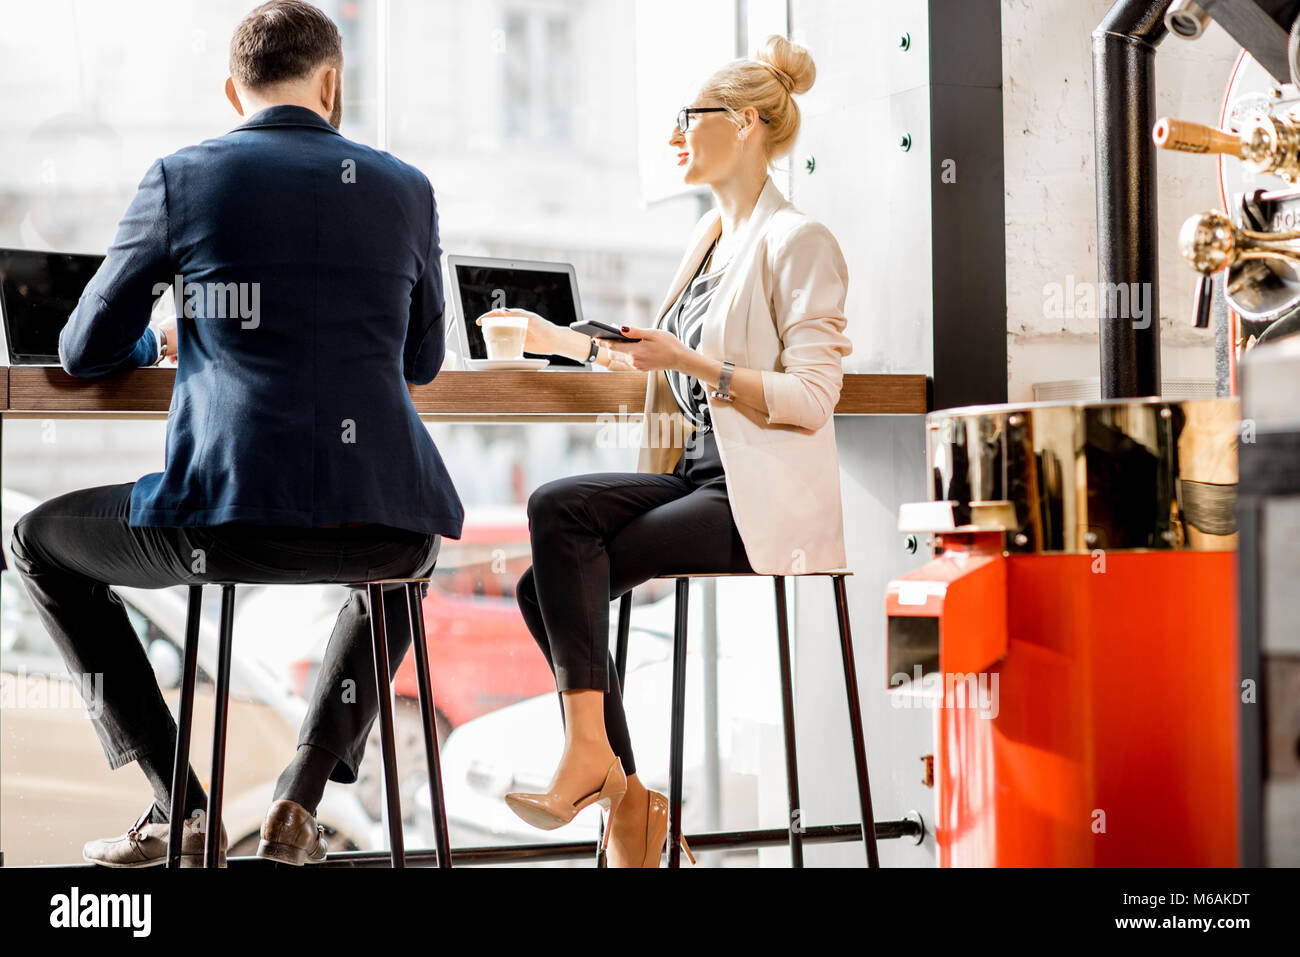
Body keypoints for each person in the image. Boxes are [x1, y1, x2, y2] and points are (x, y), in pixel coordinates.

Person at [9, 0, 462, 867]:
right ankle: (299, 797)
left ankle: (177, 803)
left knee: (35, 541)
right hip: (386, 524)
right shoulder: (407, 188)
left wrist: (165, 339)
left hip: (228, 520)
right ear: (333, 85)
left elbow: (82, 347)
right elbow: (424, 361)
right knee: (411, 558)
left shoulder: (185, 177)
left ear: (232, 91)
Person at [479, 34, 852, 867]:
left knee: (556, 579)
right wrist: (561, 342)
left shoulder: (800, 241)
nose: (676, 137)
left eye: (691, 119)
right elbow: (656, 356)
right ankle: (618, 786)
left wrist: (694, 363)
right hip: (698, 474)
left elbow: (812, 397)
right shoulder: (710, 243)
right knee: (553, 523)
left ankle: (617, 789)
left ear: (749, 123)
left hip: (758, 498)